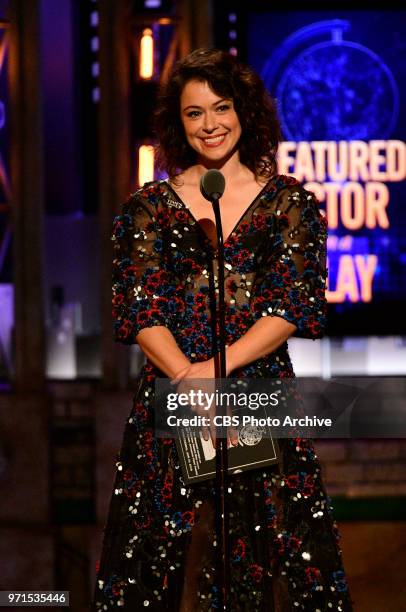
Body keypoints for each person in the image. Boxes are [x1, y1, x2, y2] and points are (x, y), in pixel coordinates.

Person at [92, 48, 354, 611]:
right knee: (159, 558)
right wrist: (189, 378)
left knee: (279, 552)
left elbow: (291, 304)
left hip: (258, 394)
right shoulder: (147, 208)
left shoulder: (291, 203)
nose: (209, 124)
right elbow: (141, 310)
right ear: (175, 122)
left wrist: (216, 370)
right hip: (174, 398)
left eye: (221, 107)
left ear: (246, 113)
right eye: (193, 113)